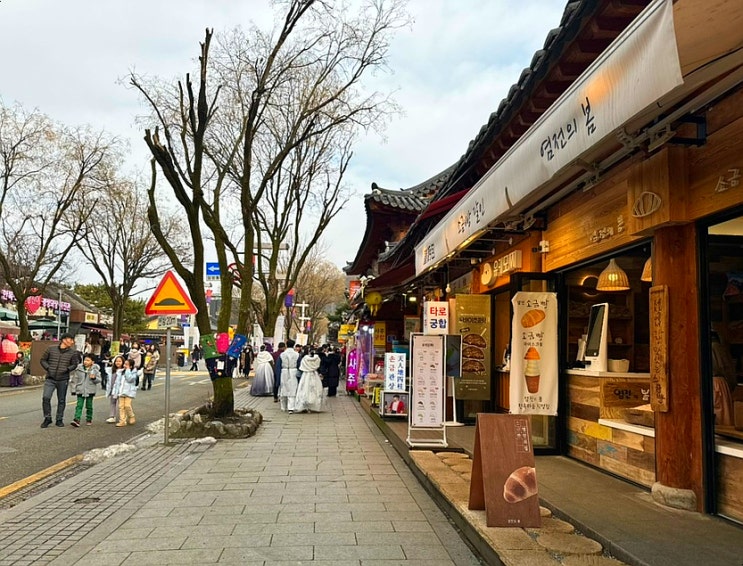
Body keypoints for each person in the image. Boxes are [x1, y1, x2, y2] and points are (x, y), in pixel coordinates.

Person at [39, 333, 80, 428]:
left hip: (63, 379)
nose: (72, 342)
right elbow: (43, 360)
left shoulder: (73, 352)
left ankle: (59, 419)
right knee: (46, 397)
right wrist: (48, 368)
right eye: (71, 339)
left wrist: (67, 369)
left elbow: (74, 364)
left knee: (61, 399)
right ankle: (47, 418)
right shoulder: (51, 349)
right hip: (50, 378)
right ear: (64, 340)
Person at [69, 353, 100, 427]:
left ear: (92, 362)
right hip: (80, 389)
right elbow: (74, 380)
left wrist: (94, 378)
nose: (85, 362)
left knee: (89, 406)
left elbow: (99, 380)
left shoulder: (95, 370)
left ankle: (89, 418)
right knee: (79, 405)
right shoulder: (79, 369)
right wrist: (73, 390)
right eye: (85, 360)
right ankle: (76, 419)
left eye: (88, 360)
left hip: (90, 390)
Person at [114, 358, 138, 427]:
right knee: (121, 407)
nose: (125, 365)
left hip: (129, 392)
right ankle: (122, 421)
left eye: (127, 365)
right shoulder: (120, 372)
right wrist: (116, 391)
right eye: (125, 364)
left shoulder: (134, 373)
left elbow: (129, 379)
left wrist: (128, 370)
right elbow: (117, 382)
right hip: (121, 392)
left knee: (127, 405)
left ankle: (131, 416)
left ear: (131, 366)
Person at [278, 339, 299, 413]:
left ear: (286, 345)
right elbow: (299, 364)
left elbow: (278, 365)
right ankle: (291, 407)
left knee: (283, 388)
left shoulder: (282, 354)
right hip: (293, 371)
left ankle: (283, 407)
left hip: (284, 371)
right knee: (292, 388)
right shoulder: (297, 354)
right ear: (294, 345)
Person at [105, 355, 125, 424]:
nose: (118, 363)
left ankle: (123, 417)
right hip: (113, 389)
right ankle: (112, 416)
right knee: (112, 403)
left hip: (121, 390)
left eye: (119, 361)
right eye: (116, 361)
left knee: (121, 405)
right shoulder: (111, 370)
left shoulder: (124, 371)